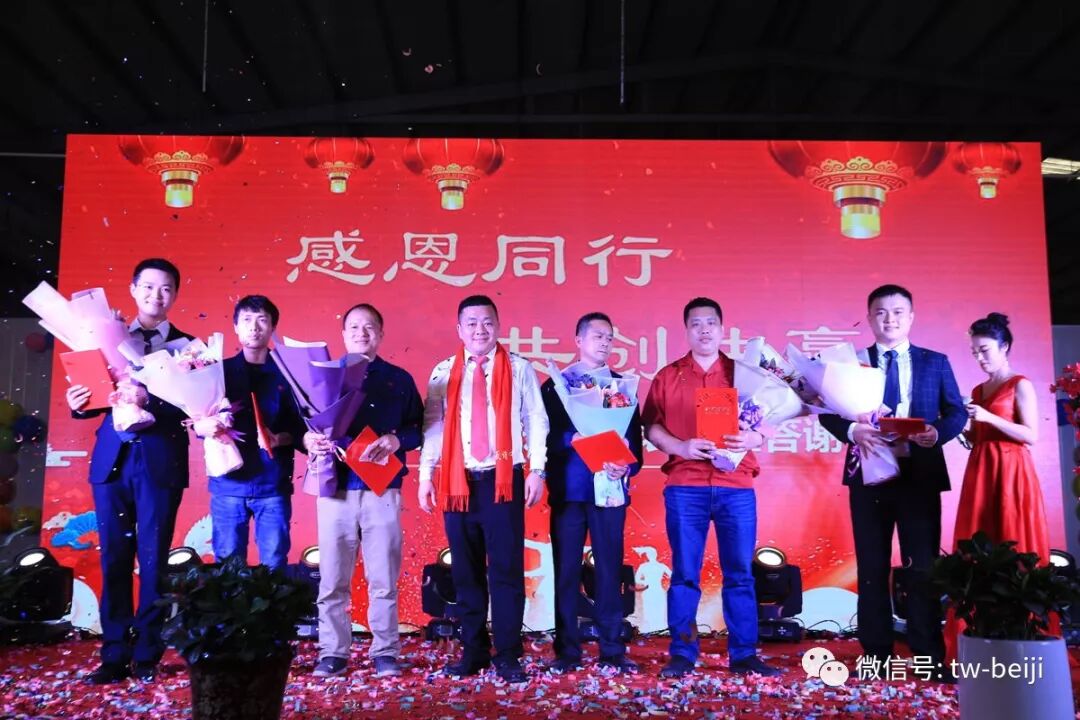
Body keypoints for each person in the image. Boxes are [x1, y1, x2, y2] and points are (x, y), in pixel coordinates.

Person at [819, 284, 966, 679]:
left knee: (923, 568)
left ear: (911, 317)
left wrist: (937, 433)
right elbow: (826, 411)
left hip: (919, 477)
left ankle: (927, 655)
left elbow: (956, 412)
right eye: (881, 312)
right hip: (868, 474)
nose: (890, 319)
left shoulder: (935, 362)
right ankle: (877, 656)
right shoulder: (852, 363)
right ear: (869, 318)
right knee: (871, 566)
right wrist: (853, 431)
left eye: (898, 312)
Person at [66, 258, 192, 685]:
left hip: (159, 461)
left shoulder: (187, 347)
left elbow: (193, 405)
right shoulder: (103, 336)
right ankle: (114, 652)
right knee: (115, 558)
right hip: (113, 461)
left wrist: (147, 399)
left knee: (155, 560)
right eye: (149, 287)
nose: (157, 295)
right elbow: (93, 400)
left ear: (175, 295)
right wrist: (78, 402)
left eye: (166, 288)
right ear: (134, 290)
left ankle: (147, 653)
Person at [642, 297, 780, 679]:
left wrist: (753, 438)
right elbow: (650, 426)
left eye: (710, 323)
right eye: (696, 324)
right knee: (685, 573)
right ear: (686, 330)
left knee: (740, 573)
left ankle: (744, 654)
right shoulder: (667, 376)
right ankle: (682, 653)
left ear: (722, 329)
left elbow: (773, 416)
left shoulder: (744, 374)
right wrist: (681, 446)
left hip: (736, 485)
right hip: (686, 485)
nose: (704, 330)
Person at [418, 294, 549, 683]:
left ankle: (508, 653)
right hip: (457, 481)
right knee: (465, 572)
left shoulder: (520, 368)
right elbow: (433, 426)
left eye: (487, 322)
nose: (480, 329)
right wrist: (425, 475)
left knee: (506, 570)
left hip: (503, 479)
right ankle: (472, 650)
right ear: (459, 329)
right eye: (472, 323)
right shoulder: (443, 371)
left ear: (499, 326)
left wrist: (537, 470)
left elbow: (536, 419)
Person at [305, 303, 423, 678]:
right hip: (335, 486)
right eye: (354, 327)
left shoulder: (399, 379)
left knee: (383, 576)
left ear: (381, 334)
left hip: (382, 488)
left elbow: (418, 429)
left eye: (369, 327)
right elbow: (304, 426)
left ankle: (385, 651)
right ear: (343, 334)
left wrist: (395, 440)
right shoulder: (322, 376)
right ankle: (333, 652)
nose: (361, 333)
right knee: (332, 578)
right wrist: (309, 440)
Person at [944, 313, 1051, 661]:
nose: (979, 357)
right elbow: (978, 437)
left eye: (985, 350)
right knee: (979, 542)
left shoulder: (1020, 384)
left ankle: (1023, 635)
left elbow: (1030, 435)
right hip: (982, 469)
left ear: (1005, 347)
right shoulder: (979, 390)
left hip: (1011, 470)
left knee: (1013, 538)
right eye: (974, 351)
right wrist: (963, 427)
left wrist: (988, 417)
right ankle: (980, 634)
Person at [541, 312, 644, 674]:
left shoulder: (622, 389)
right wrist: (573, 438)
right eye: (597, 336)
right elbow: (542, 437)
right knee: (567, 572)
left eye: (609, 338)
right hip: (570, 491)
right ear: (579, 340)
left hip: (609, 492)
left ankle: (612, 649)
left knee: (609, 571)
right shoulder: (556, 386)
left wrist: (625, 466)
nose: (604, 342)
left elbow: (635, 446)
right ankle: (567, 651)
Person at [198, 295, 304, 571]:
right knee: (228, 568)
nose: (254, 327)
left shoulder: (289, 373)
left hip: (273, 484)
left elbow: (302, 428)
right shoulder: (215, 372)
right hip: (229, 484)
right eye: (246, 320)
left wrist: (279, 438)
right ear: (235, 326)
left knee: (274, 566)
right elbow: (198, 419)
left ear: (272, 327)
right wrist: (202, 426)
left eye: (262, 320)